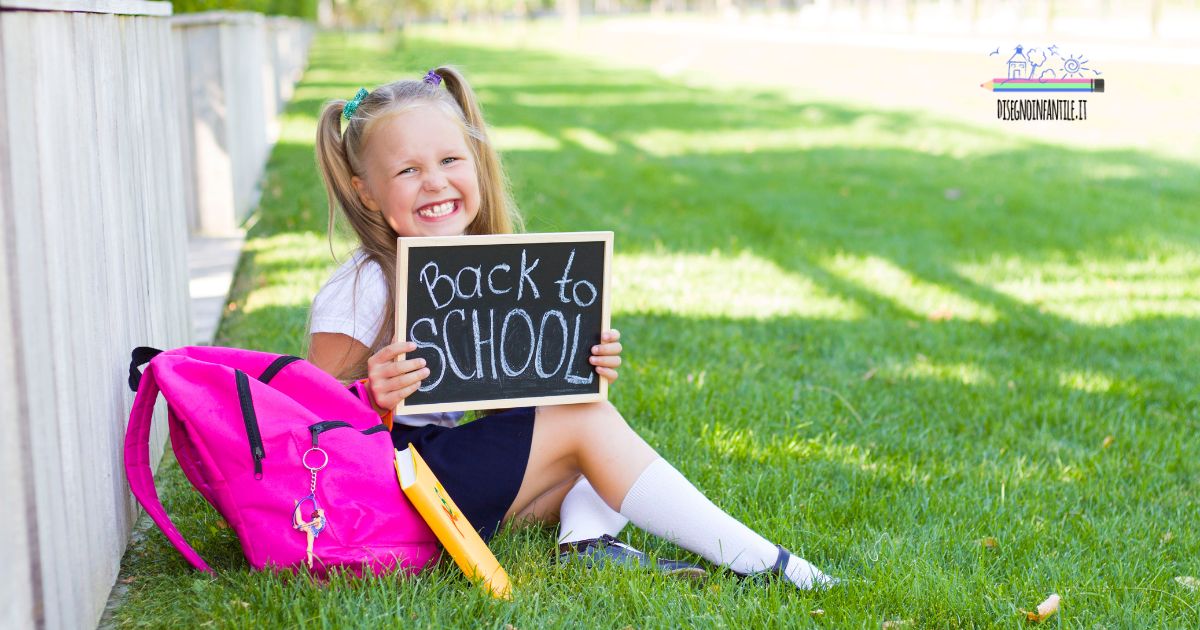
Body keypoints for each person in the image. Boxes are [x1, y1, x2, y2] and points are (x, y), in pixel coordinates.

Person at [306, 67, 835, 590]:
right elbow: (310, 431)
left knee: (591, 426)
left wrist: (573, 367)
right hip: (386, 497)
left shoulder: (471, 267)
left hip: (436, 485)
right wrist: (370, 394)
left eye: (449, 160)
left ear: (476, 163)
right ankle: (768, 563)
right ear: (367, 192)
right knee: (586, 422)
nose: (436, 182)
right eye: (408, 171)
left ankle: (586, 545)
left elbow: (505, 404)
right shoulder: (365, 286)